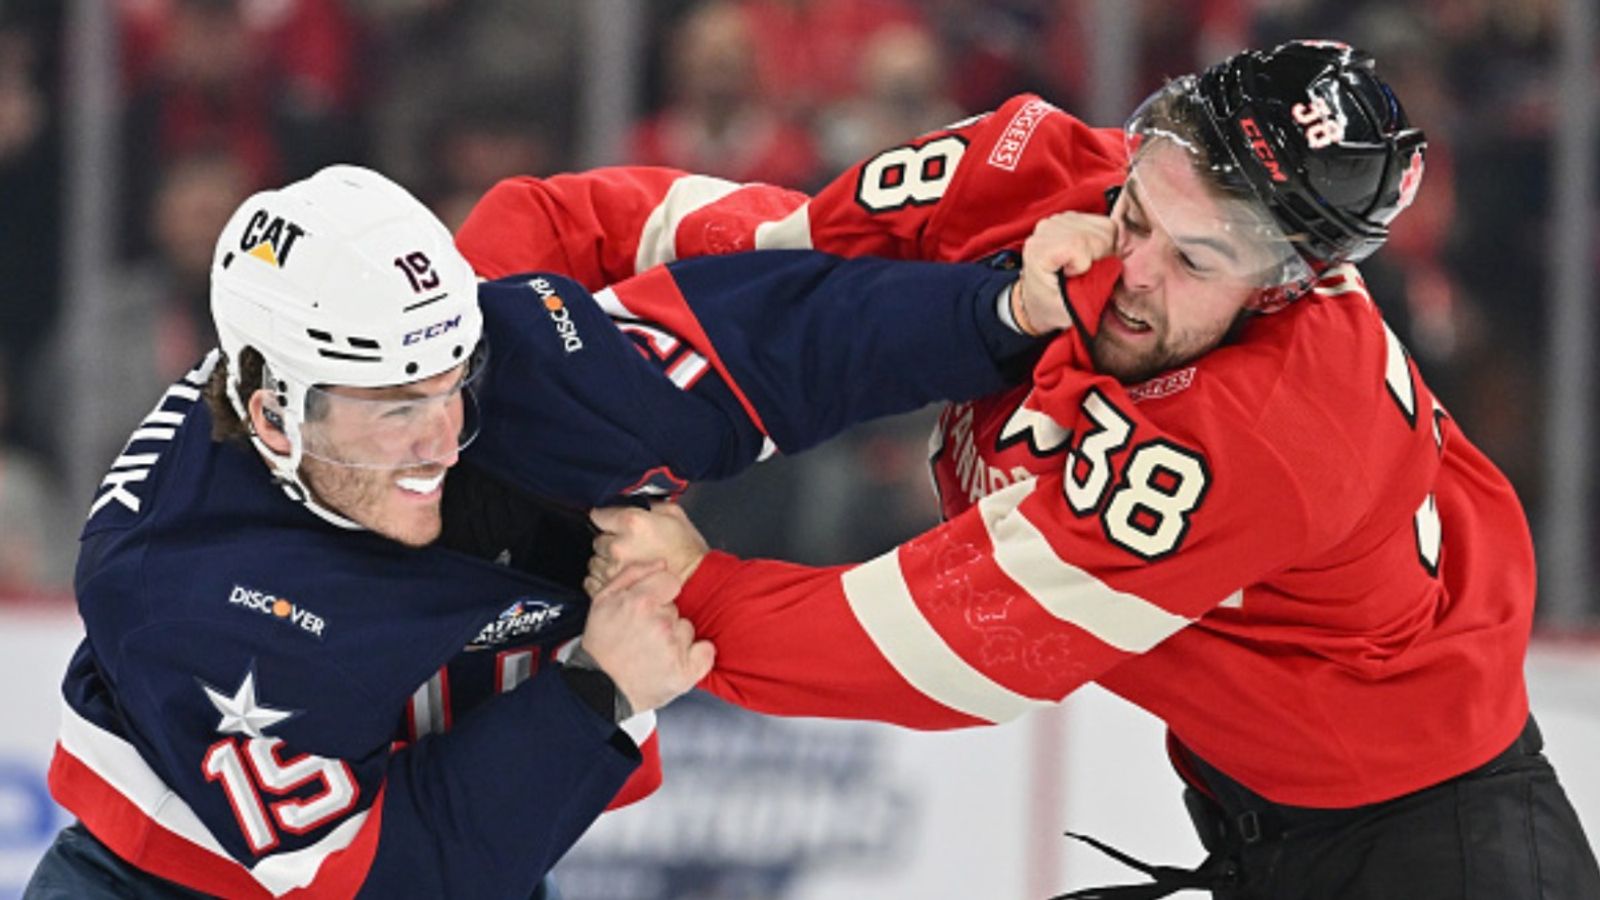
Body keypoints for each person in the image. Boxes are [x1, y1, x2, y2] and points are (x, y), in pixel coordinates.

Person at [547, 42, 1598, 899]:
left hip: (1437, 850)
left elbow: (955, 646)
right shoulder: (1032, 167)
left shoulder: (1266, 430)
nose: (1134, 270)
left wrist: (695, 595)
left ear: (1286, 287)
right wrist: (544, 257)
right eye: (1137, 209)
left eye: (1195, 260)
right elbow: (782, 249)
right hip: (1272, 801)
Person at [26, 164, 1068, 898]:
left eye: (451, 384)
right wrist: (596, 695)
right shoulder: (182, 592)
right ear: (270, 417)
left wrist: (1006, 308)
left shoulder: (513, 370)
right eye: (395, 407)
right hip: (178, 883)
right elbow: (391, 879)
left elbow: (784, 338)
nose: (442, 436)